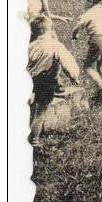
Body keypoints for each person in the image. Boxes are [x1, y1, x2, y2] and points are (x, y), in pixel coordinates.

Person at [28, 16, 81, 146]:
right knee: (40, 112)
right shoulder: (56, 45)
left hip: (28, 80)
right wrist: (74, 77)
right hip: (45, 82)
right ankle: (34, 140)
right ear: (51, 29)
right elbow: (69, 65)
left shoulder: (30, 46)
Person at [71, 0, 102, 103]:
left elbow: (77, 27)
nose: (82, 2)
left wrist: (74, 35)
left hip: (97, 41)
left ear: (90, 1)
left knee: (88, 67)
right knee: (101, 67)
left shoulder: (88, 13)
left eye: (84, 0)